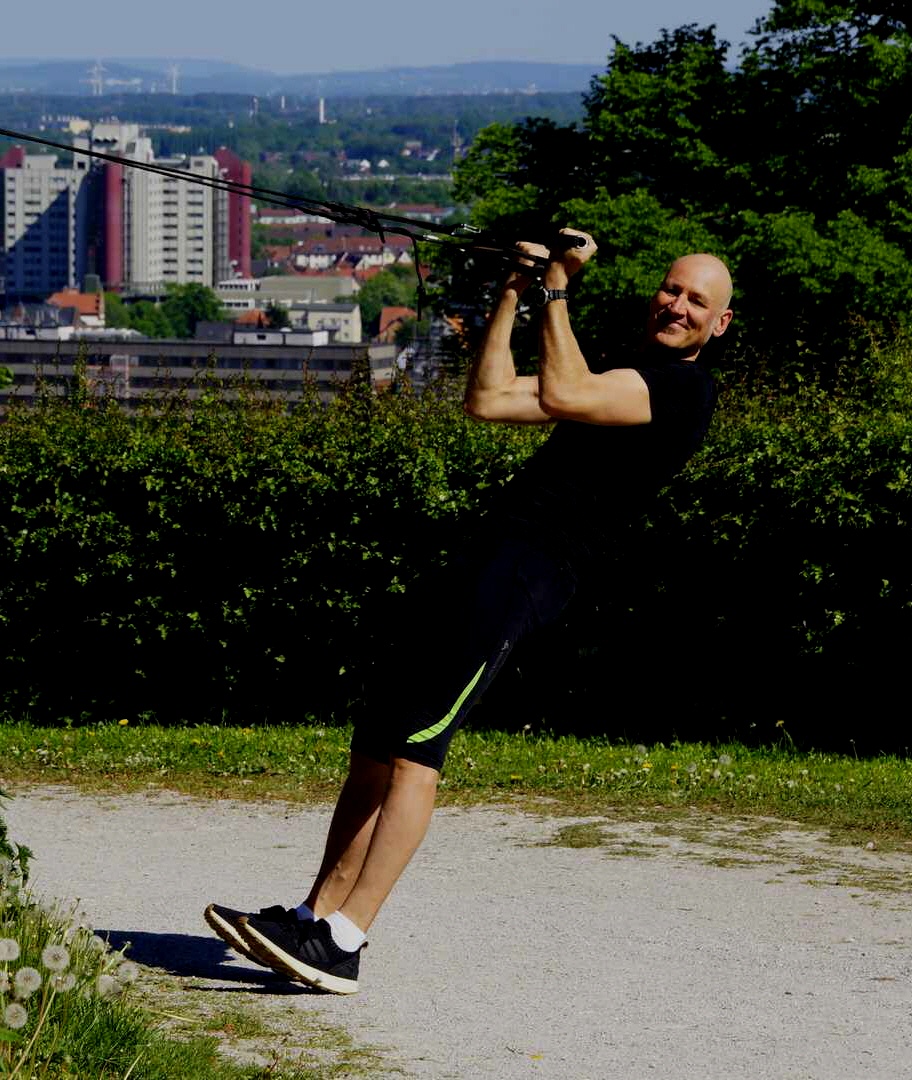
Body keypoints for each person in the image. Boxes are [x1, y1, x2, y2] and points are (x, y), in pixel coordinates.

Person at [204, 230, 734, 995]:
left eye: (697, 300)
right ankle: (309, 917)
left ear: (719, 325)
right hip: (488, 558)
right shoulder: (628, 370)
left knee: (420, 747)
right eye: (672, 288)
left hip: (530, 574)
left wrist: (556, 288)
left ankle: (347, 940)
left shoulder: (684, 392)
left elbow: (566, 393)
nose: (677, 304)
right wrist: (516, 292)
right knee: (379, 744)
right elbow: (487, 398)